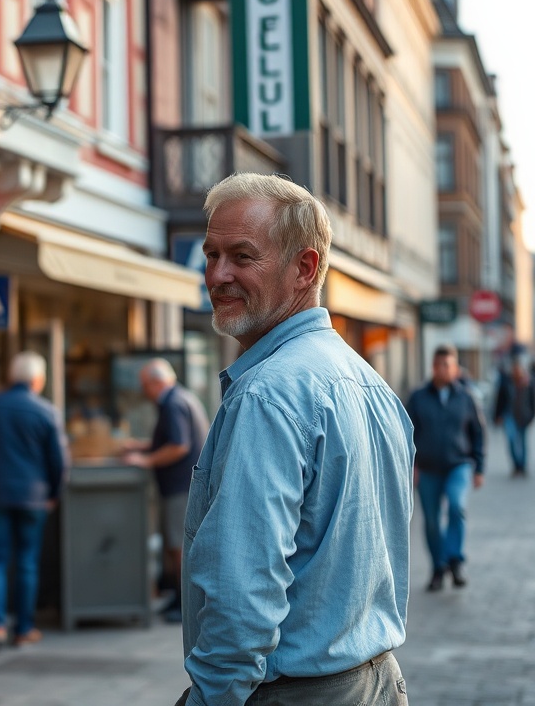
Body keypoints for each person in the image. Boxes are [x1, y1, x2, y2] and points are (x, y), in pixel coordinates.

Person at [174, 173, 415, 706]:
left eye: (241, 256)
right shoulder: (369, 382)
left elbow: (241, 596)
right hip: (375, 681)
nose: (217, 274)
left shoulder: (267, 394)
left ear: (304, 268)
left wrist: (210, 698)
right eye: (211, 254)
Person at [0, 351, 67, 651]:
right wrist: (53, 493)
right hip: (34, 499)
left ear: (12, 377)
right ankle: (23, 629)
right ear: (37, 380)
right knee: (26, 563)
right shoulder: (46, 411)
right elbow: (59, 461)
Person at [121, 358, 209, 623]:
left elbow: (178, 445)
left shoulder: (172, 403)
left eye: (145, 385)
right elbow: (171, 440)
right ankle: (177, 597)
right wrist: (141, 446)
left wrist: (146, 460)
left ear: (157, 383)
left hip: (180, 486)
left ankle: (184, 603)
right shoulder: (182, 398)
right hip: (183, 484)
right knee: (176, 544)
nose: (144, 391)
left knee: (178, 545)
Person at [405, 344, 485, 591]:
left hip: (459, 465)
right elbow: (406, 433)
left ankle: (455, 560)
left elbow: (478, 433)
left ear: (456, 367)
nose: (444, 369)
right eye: (440, 365)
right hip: (427, 469)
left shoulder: (467, 397)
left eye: (449, 365)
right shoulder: (418, 397)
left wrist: (479, 467)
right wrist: (411, 466)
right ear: (433, 366)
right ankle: (438, 568)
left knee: (456, 505)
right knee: (430, 521)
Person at [493, 354, 535, 476]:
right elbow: (499, 400)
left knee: (522, 440)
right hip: (509, 415)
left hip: (523, 416)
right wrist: (497, 416)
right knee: (511, 439)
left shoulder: (529, 382)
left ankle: (522, 465)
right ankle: (516, 464)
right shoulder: (506, 382)